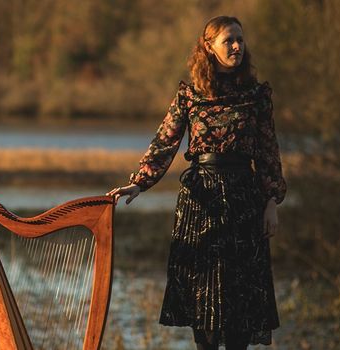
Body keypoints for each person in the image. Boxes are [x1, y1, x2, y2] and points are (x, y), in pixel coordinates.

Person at [108, 16, 286, 349]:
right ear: (209, 46)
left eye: (240, 40)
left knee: (241, 304)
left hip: (244, 202)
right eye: (229, 40)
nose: (237, 46)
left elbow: (267, 151)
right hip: (200, 202)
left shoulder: (256, 95)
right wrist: (139, 183)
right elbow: (165, 142)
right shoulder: (190, 95)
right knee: (204, 302)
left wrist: (271, 201)